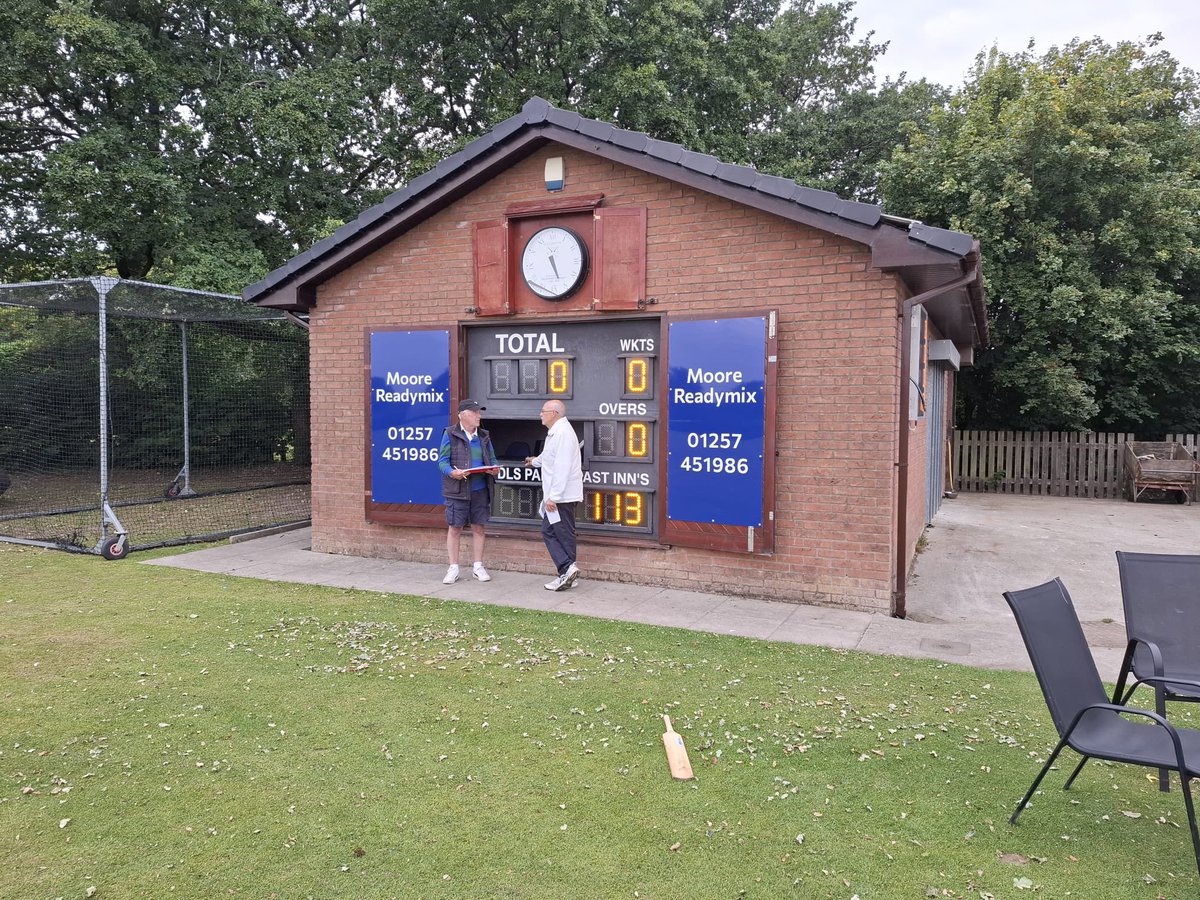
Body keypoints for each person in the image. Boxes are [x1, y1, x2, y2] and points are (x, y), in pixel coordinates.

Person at [437, 399, 499, 584]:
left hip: (480, 490)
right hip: (457, 490)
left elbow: (493, 459)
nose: (479, 416)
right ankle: (453, 568)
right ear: (463, 415)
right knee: (455, 528)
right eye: (474, 413)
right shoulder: (449, 434)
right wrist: (452, 472)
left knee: (479, 527)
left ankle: (478, 566)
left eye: (479, 412)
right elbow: (442, 462)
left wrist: (494, 468)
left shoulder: (484, 436)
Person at [525, 399, 583, 591]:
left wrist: (554, 497)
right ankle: (569, 575)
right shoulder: (556, 433)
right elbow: (549, 458)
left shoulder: (563, 434)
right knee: (561, 533)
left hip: (561, 498)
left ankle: (567, 568)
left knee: (552, 532)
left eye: (544, 411)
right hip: (559, 497)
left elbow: (562, 467)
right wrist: (534, 461)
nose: (540, 414)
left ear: (555, 414)